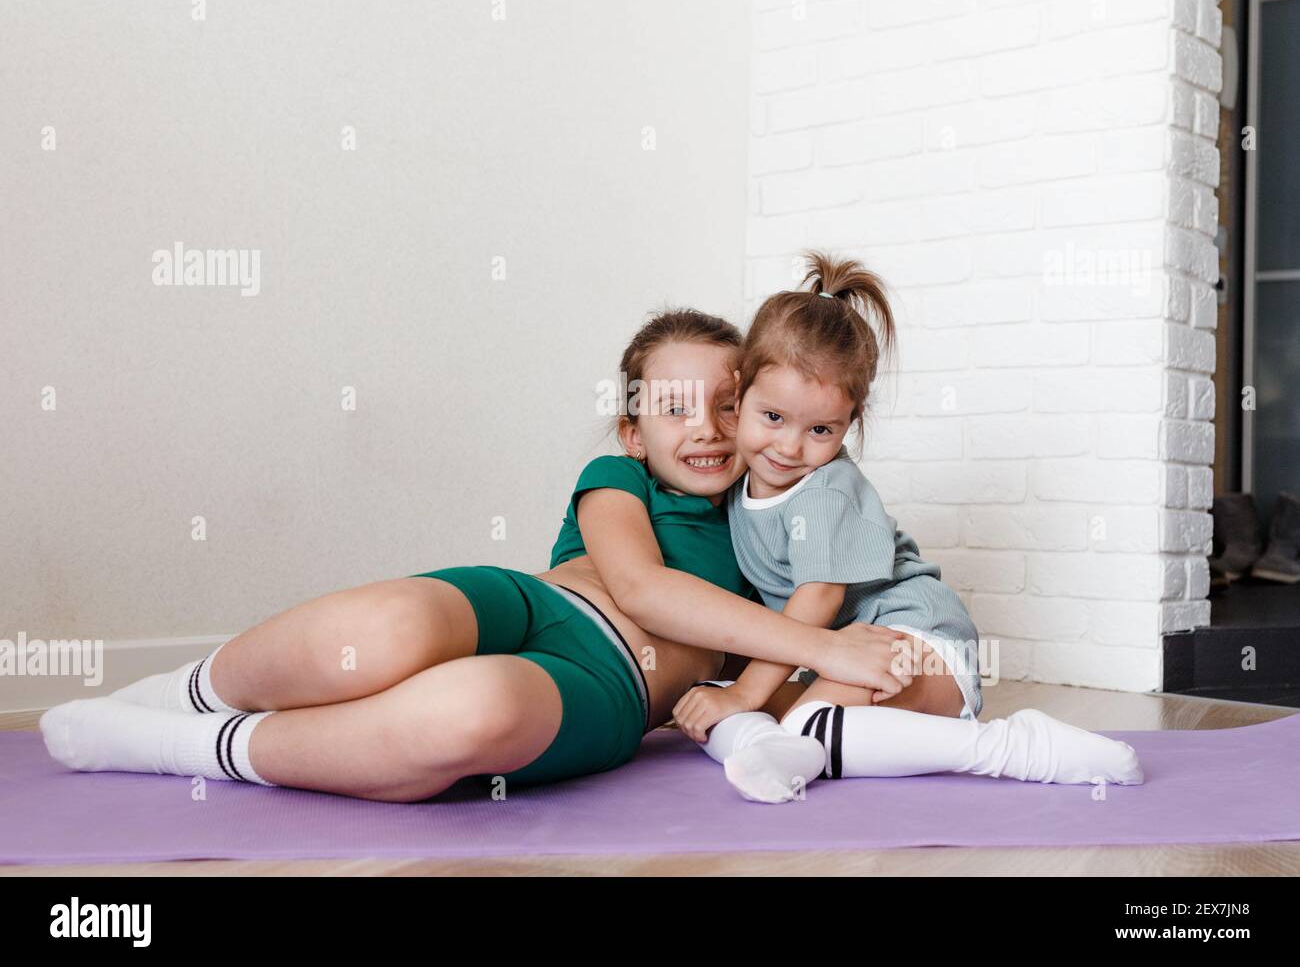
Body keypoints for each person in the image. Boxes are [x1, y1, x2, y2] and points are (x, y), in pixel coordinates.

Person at [39, 307, 909, 800]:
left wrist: (790, 681)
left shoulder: (774, 523)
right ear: (632, 429)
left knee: (470, 713)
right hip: (530, 602)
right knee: (383, 631)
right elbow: (641, 588)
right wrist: (824, 648)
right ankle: (183, 692)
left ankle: (195, 748)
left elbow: (805, 616)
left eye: (730, 405)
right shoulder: (618, 475)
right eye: (675, 406)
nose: (707, 429)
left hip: (605, 689)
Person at [670, 250, 1145, 803]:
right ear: (738, 394)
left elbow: (818, 598)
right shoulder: (742, 483)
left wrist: (752, 689)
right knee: (712, 698)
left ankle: (1015, 747)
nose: (789, 446)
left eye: (820, 428)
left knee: (799, 720)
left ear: (851, 423)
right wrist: (738, 695)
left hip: (917, 644)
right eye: (772, 417)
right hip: (847, 651)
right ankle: (777, 746)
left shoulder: (825, 492)